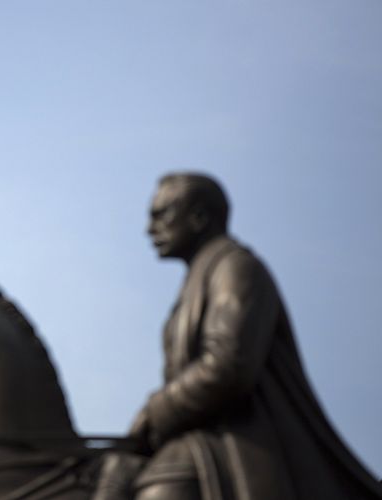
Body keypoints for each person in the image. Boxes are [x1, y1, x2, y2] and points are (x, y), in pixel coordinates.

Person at [127, 173, 382, 500]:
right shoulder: (197, 279)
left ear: (199, 218)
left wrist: (157, 410)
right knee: (109, 472)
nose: (151, 228)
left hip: (241, 438)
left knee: (163, 487)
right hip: (197, 433)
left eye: (162, 214)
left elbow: (228, 365)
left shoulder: (236, 268)